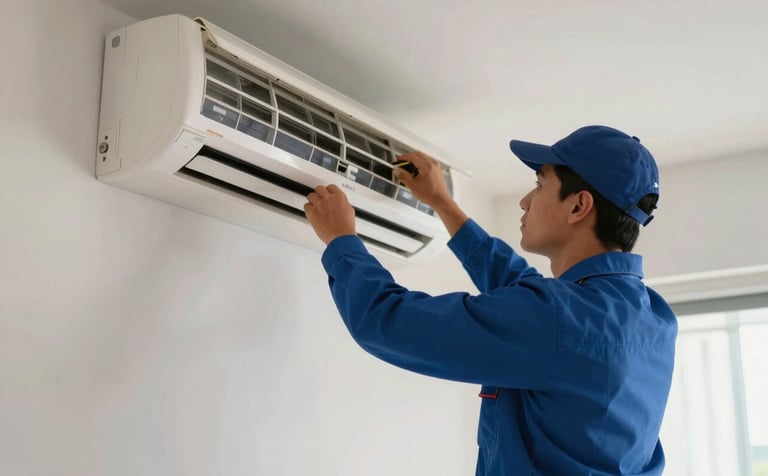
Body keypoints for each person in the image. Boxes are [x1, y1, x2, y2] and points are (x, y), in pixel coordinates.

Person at [303, 125, 677, 476]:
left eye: (539, 185)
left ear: (578, 206)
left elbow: (387, 322)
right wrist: (443, 203)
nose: (525, 201)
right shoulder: (653, 317)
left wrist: (342, 241)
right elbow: (525, 291)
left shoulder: (557, 319)